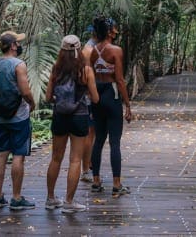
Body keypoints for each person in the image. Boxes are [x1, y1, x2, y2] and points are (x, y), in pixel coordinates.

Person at [44, 34, 100, 214]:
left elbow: (47, 97)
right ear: (78, 49)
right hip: (79, 116)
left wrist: (60, 100)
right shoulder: (86, 70)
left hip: (60, 116)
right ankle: (69, 202)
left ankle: (51, 199)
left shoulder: (56, 69)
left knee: (56, 158)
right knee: (75, 159)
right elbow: (96, 98)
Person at [0, 30, 37, 210]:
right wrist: (32, 103)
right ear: (12, 46)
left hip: (2, 116)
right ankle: (16, 198)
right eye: (17, 42)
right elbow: (25, 91)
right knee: (18, 155)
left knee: (2, 153)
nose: (19, 45)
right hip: (19, 117)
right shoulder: (19, 64)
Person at [88, 17, 133, 197]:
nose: (116, 30)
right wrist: (127, 104)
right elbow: (120, 80)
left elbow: (90, 75)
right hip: (111, 94)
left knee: (98, 139)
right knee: (114, 141)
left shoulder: (92, 52)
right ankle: (116, 184)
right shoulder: (116, 50)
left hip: (97, 95)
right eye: (114, 28)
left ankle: (96, 181)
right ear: (109, 31)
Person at [79, 24, 97, 183]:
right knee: (88, 135)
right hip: (88, 99)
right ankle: (85, 170)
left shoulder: (94, 48)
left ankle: (89, 163)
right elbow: (87, 75)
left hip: (90, 97)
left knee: (92, 134)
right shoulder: (88, 50)